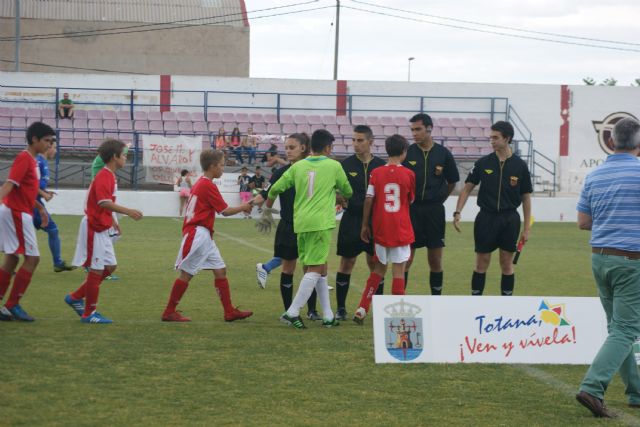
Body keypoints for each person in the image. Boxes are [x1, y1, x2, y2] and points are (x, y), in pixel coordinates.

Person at [574, 117, 640, 418]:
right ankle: (593, 386)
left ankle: (636, 391)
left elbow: (583, 222)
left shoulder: (594, 176)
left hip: (599, 257)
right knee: (626, 329)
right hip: (631, 259)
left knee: (618, 328)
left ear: (611, 142)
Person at [267, 129, 352, 329]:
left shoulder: (298, 167)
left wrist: (267, 210)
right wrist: (337, 191)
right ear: (329, 148)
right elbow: (348, 190)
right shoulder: (334, 166)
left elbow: (274, 189)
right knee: (314, 269)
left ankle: (328, 315)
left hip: (301, 223)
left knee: (320, 267)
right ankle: (292, 311)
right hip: (321, 223)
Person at [161, 149, 253, 322]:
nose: (222, 168)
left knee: (220, 270)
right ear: (212, 166)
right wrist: (244, 206)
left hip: (203, 234)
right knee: (187, 274)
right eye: (221, 165)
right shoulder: (207, 185)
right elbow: (225, 211)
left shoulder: (201, 183)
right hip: (198, 233)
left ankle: (229, 312)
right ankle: (169, 311)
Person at [64, 139, 143, 324]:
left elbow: (105, 203)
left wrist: (113, 221)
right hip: (94, 226)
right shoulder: (104, 175)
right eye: (124, 155)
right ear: (114, 157)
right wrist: (129, 211)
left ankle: (75, 297)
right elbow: (103, 202)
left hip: (102, 225)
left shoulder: (109, 176)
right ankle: (89, 314)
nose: (126, 158)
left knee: (109, 267)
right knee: (97, 269)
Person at [453, 121, 532, 296]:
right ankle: (476, 301)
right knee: (482, 262)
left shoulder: (520, 166)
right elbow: (467, 188)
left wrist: (527, 228)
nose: (492, 141)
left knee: (506, 263)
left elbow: (526, 198)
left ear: (507, 138)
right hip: (486, 218)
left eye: (496, 138)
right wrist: (457, 212)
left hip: (510, 219)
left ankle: (506, 303)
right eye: (491, 138)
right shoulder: (483, 163)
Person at [253, 133, 321, 320]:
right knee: (288, 269)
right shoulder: (280, 173)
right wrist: (251, 205)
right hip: (289, 225)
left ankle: (312, 311)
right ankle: (289, 312)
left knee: (310, 270)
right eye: (287, 148)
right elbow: (266, 194)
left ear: (304, 148)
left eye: (292, 147)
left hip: (310, 226)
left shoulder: (314, 171)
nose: (288, 151)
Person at [353, 135, 415, 324]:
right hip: (400, 228)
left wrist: (365, 224)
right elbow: (410, 199)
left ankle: (363, 307)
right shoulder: (409, 174)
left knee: (378, 269)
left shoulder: (376, 172)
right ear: (404, 151)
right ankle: (397, 315)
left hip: (381, 228)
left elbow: (369, 199)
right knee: (399, 270)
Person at [0, 122, 55, 321]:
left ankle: (6, 304)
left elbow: (25, 190)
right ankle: (12, 304)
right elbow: (9, 185)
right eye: (47, 141)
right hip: (16, 213)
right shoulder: (24, 158)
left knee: (13, 257)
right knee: (32, 258)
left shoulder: (33, 160)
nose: (49, 145)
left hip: (20, 211)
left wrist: (40, 208)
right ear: (34, 139)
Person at [402, 113, 459, 295]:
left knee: (435, 259)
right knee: (406, 258)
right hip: (411, 210)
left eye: (418, 129)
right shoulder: (408, 153)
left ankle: (436, 300)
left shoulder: (443, 154)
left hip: (434, 211)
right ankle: (400, 298)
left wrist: (439, 199)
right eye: (412, 130)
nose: (414, 133)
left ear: (429, 128)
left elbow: (452, 182)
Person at [334, 125, 386, 320]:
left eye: (360, 140)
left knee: (376, 264)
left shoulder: (381, 165)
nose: (355, 144)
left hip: (376, 222)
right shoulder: (345, 165)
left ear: (371, 142)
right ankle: (340, 309)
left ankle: (378, 309)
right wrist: (337, 196)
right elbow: (334, 189)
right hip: (351, 220)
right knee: (347, 262)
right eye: (354, 140)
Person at [33, 138, 75, 272]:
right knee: (52, 230)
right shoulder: (38, 161)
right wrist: (42, 194)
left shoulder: (43, 162)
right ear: (48, 147)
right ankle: (57, 262)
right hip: (31, 204)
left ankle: (58, 262)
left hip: (35, 202)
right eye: (55, 148)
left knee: (20, 235)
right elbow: (29, 184)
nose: (56, 151)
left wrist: (44, 192)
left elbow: (36, 185)